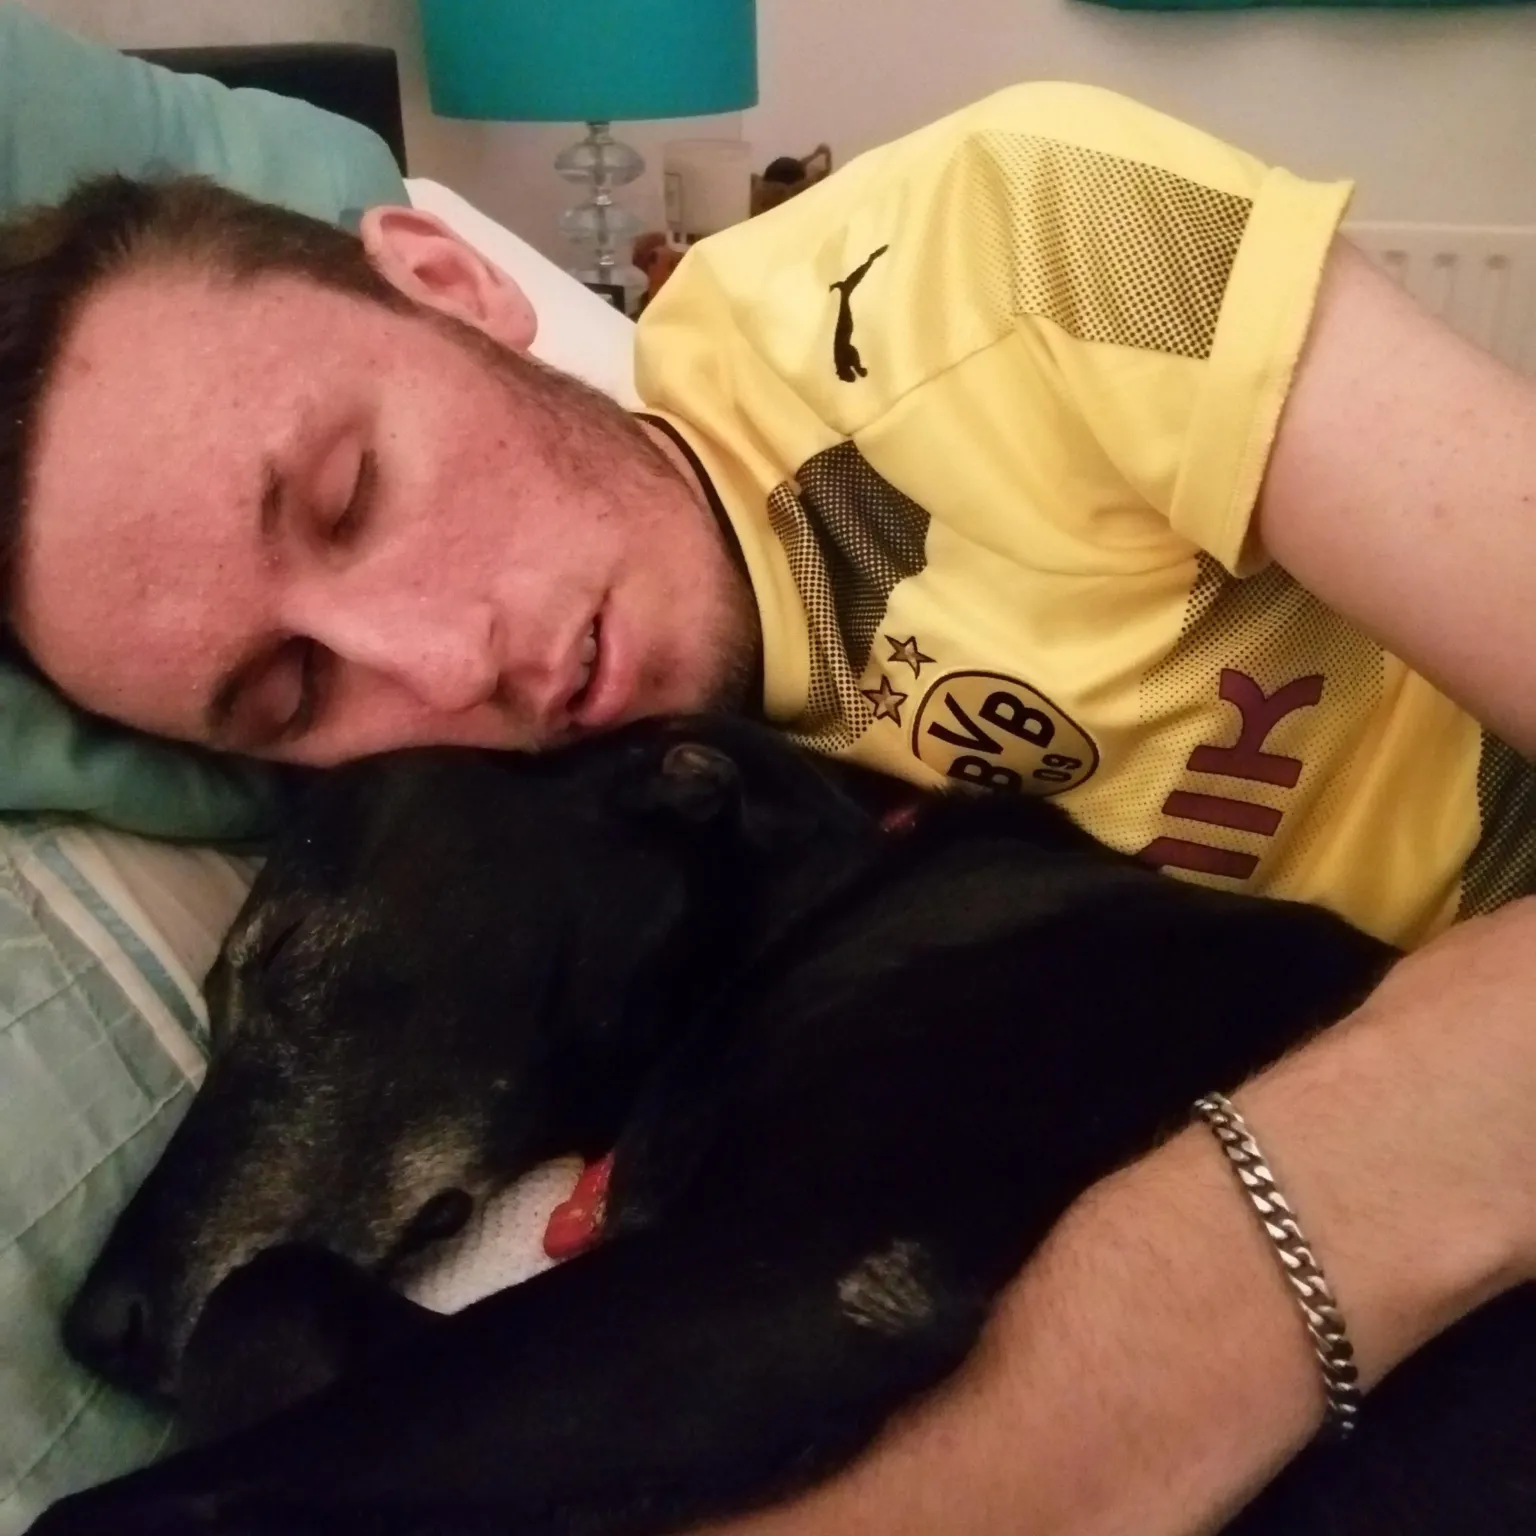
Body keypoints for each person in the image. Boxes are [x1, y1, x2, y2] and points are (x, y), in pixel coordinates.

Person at [4, 81, 1536, 1533]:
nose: (446, 658)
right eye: (290, 699)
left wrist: (1252, 1241)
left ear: (445, 282)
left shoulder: (1016, 261)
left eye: (351, 493)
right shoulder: (606, 904)